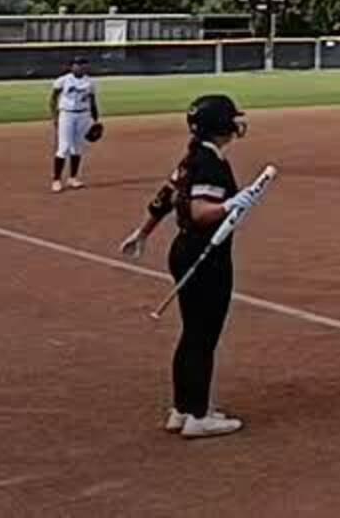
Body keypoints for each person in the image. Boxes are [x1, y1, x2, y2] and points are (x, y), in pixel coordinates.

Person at [117, 95, 262, 439]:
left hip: (183, 250)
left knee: (191, 333)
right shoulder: (212, 164)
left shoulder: (191, 159)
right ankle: (198, 416)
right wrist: (230, 204)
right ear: (221, 126)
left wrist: (143, 233)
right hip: (205, 255)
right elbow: (200, 212)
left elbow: (164, 198)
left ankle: (182, 409)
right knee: (202, 335)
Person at [49, 56, 101, 192]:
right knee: (64, 147)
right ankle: (56, 180)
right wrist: (55, 116)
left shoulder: (90, 82)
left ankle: (73, 178)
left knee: (77, 148)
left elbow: (92, 101)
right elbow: (53, 98)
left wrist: (96, 120)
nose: (80, 67)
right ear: (72, 66)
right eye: (77, 64)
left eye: (83, 64)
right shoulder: (63, 80)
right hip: (66, 115)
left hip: (83, 115)